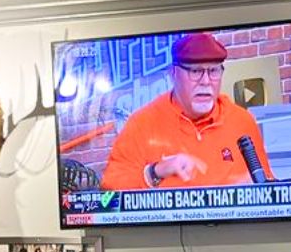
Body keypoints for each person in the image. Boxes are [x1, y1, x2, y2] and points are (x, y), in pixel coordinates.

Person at [100, 32, 276, 190]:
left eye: (213, 71)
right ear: (173, 74)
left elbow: (268, 186)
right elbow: (110, 190)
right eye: (196, 71)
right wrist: (155, 172)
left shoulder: (241, 121)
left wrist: (246, 191)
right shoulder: (142, 123)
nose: (206, 81)